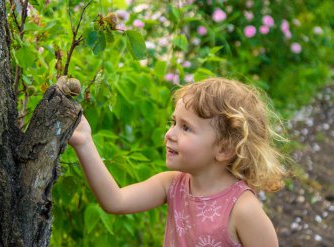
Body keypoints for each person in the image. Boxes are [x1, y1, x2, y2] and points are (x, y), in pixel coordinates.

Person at [69, 77, 288, 247]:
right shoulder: (172, 185)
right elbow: (115, 201)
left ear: (224, 148)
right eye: (174, 122)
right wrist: (84, 142)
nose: (169, 134)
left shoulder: (242, 209)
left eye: (186, 128)